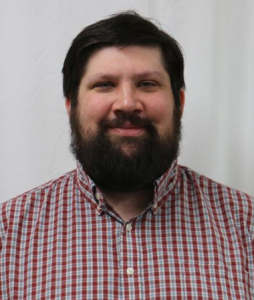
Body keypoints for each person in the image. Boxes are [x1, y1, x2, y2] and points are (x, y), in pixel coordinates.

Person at [0, 11, 253, 300]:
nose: (127, 103)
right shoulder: (8, 234)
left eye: (147, 84)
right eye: (104, 84)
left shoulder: (246, 227)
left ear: (179, 103)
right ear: (72, 105)